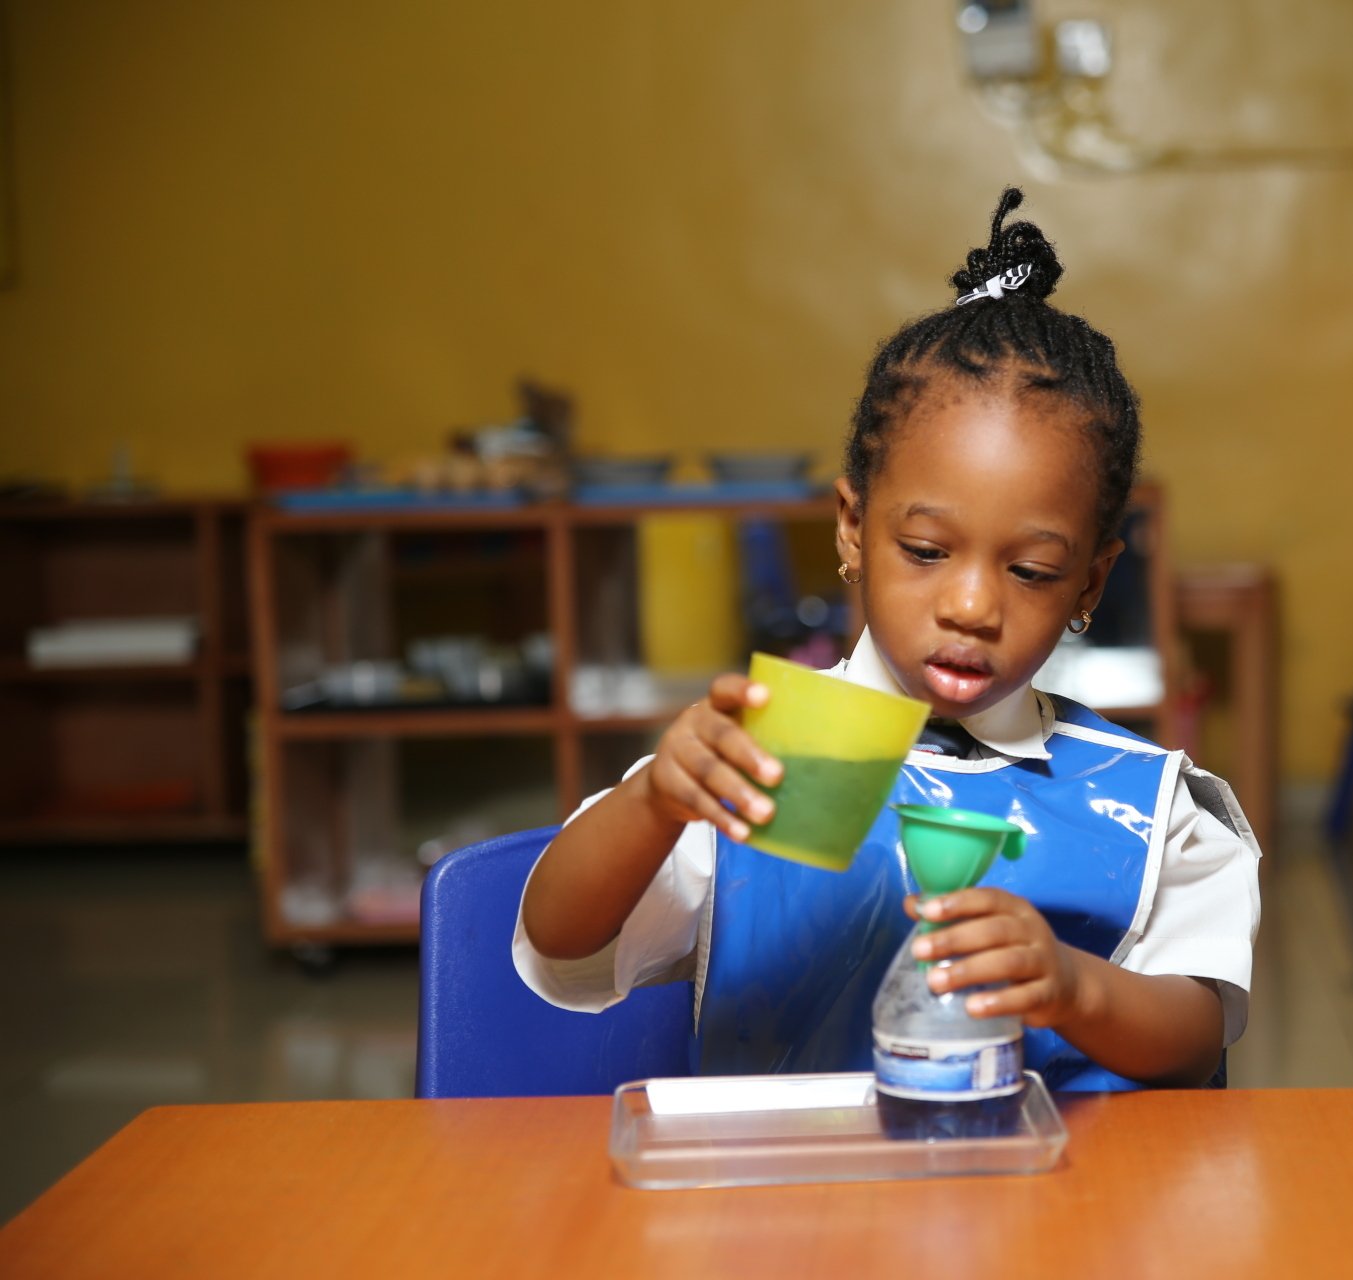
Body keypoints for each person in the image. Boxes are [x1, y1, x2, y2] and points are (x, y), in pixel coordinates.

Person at [517, 189, 1261, 1091]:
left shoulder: (1142, 805)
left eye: (1029, 571)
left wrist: (1076, 988)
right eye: (924, 551)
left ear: (1090, 584)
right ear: (851, 529)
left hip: (1063, 1213)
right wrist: (654, 807)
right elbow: (560, 943)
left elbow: (1197, 1034)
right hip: (796, 1210)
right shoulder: (784, 757)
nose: (973, 605)